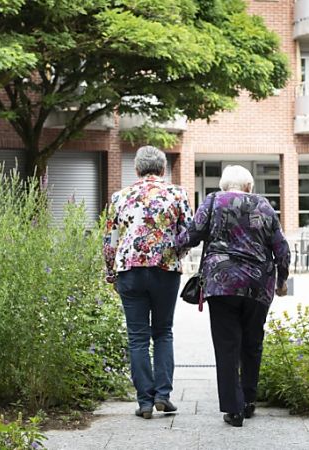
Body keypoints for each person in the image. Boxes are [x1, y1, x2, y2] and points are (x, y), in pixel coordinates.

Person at [176, 165, 290, 428]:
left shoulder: (213, 201)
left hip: (222, 283)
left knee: (227, 345)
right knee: (252, 342)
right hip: (258, 284)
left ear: (223, 186)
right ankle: (249, 401)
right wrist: (282, 279)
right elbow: (281, 248)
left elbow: (192, 234)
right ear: (249, 186)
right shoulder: (263, 206)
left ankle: (234, 409)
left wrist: (173, 245)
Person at [103, 146, 193, 419]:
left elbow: (110, 241)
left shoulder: (120, 196)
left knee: (137, 337)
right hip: (165, 269)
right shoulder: (177, 193)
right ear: (163, 169)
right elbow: (188, 233)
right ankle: (163, 395)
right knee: (163, 331)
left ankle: (144, 401)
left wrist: (110, 273)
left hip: (129, 270)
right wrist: (175, 254)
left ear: (137, 169)